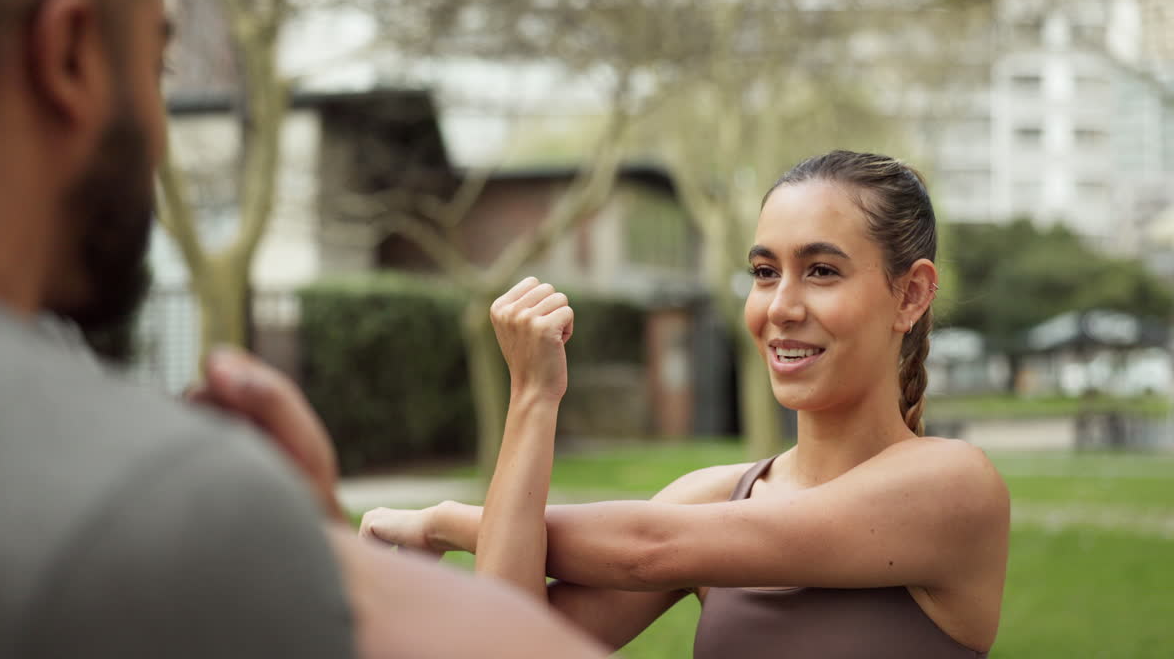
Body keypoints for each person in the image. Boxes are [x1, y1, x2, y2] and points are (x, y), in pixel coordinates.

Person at [0, 0, 608, 658]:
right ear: (71, 55)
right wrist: (305, 545)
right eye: (156, 67)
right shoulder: (142, 508)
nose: (161, 131)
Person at [360, 151, 1011, 658]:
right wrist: (533, 397)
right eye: (764, 271)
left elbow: (648, 548)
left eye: (821, 270)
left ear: (911, 295)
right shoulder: (719, 497)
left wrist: (446, 521)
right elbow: (510, 640)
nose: (780, 307)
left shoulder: (953, 488)